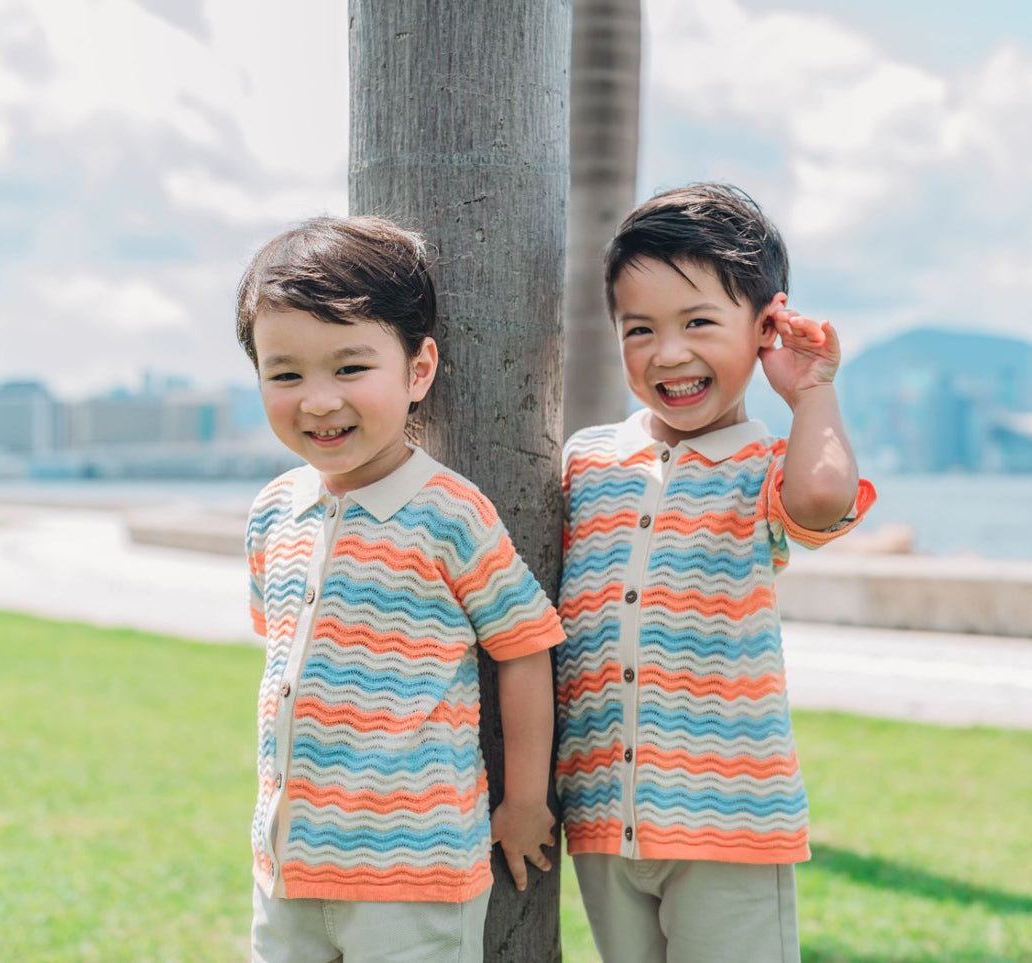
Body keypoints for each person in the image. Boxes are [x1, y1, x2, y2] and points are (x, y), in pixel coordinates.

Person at [555, 183, 877, 963]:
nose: (668, 352)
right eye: (640, 329)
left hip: (730, 821)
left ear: (766, 325)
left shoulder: (764, 465)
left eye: (698, 322)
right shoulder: (585, 460)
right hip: (600, 819)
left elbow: (824, 497)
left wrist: (812, 391)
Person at [237, 216, 564, 963]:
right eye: (285, 373)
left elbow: (523, 648)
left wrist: (523, 800)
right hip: (285, 870)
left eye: (349, 368)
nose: (317, 400)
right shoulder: (272, 514)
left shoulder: (448, 512)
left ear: (418, 371)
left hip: (412, 877)